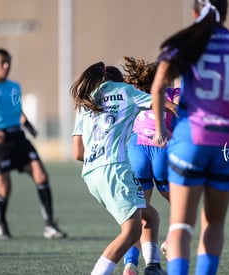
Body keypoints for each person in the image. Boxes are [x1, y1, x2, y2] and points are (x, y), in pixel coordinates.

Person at [150, 0, 229, 274]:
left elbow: (158, 86)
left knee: (180, 227)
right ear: (226, 13)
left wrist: (161, 131)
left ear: (195, 11)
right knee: (215, 223)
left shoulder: (185, 42)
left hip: (189, 141)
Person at [70, 61, 177, 275]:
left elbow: (78, 153)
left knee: (150, 216)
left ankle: (153, 267)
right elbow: (162, 102)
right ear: (117, 80)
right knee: (131, 230)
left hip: (92, 175)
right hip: (116, 170)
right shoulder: (126, 92)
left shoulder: (86, 100)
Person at [0, 48, 67, 240]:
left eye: (9, 62)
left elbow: (17, 108)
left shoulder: (14, 86)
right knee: (4, 188)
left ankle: (50, 226)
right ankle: (1, 223)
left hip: (18, 138)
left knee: (41, 175)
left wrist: (28, 126)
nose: (6, 66)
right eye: (2, 62)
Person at [121, 56, 180, 275]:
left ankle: (131, 264)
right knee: (181, 206)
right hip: (161, 149)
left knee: (139, 213)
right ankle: (168, 244)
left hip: (136, 149)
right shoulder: (173, 95)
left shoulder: (136, 95)